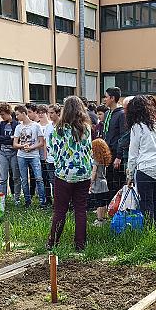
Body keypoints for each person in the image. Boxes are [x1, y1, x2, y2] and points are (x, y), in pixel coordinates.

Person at [47, 96, 93, 251]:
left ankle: (53, 242)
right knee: (80, 210)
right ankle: (80, 245)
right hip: (83, 174)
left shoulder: (57, 130)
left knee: (60, 210)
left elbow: (52, 152)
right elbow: (89, 151)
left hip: (63, 174)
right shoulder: (86, 129)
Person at [126, 95, 156, 223]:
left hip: (146, 168)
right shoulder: (155, 124)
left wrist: (130, 174)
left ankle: (149, 229)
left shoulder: (137, 127)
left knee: (146, 202)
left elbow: (133, 154)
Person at [13, 104, 47, 208]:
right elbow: (14, 144)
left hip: (34, 155)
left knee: (39, 178)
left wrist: (32, 147)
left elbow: (42, 142)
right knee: (24, 179)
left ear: (24, 113)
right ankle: (27, 201)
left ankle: (43, 201)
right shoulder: (18, 127)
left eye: (18, 114)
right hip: (21, 156)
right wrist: (22, 146)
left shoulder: (36, 126)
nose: (16, 117)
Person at [0, 103, 22, 205]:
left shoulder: (17, 124)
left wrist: (7, 139)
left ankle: (17, 198)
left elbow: (17, 139)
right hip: (2, 153)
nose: (1, 116)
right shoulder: (0, 125)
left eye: (3, 114)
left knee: (16, 177)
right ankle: (2, 199)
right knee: (3, 178)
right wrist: (9, 138)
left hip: (14, 152)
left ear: (9, 113)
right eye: (0, 115)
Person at [102, 87, 127, 203]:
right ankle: (109, 205)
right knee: (109, 179)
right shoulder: (107, 113)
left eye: (106, 97)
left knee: (117, 181)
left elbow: (123, 135)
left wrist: (119, 156)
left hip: (116, 153)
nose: (104, 99)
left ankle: (117, 205)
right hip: (107, 152)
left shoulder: (121, 114)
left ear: (112, 98)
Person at [89, 138, 112, 227]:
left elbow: (94, 172)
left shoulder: (95, 161)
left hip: (97, 183)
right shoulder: (103, 160)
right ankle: (104, 218)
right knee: (103, 202)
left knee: (98, 202)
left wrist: (91, 181)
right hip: (104, 183)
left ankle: (99, 219)